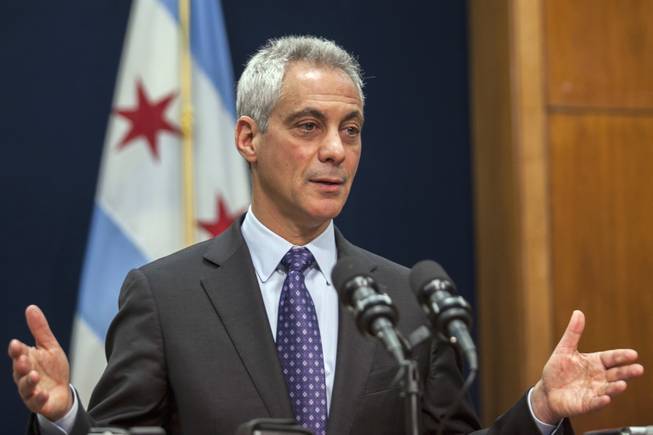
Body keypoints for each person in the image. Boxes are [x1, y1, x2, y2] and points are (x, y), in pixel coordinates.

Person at [9, 36, 644, 435]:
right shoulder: (163, 295)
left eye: (352, 129)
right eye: (309, 126)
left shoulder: (406, 296)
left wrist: (540, 408)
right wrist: (65, 414)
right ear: (248, 139)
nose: (336, 151)